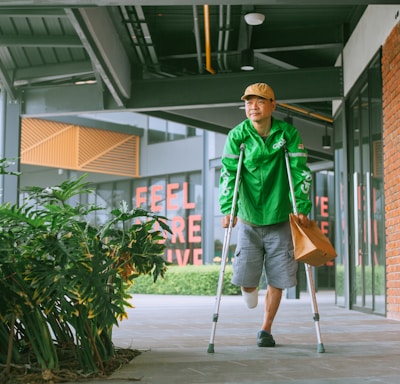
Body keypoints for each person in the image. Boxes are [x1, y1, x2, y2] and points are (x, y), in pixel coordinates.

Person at [219, 82, 312, 347]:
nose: (253, 107)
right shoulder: (238, 135)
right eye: (249, 102)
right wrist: (229, 208)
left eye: (260, 101)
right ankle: (249, 291)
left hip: (280, 215)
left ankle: (266, 328)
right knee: (247, 282)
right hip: (248, 216)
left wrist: (301, 207)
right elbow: (228, 173)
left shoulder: (287, 133)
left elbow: (300, 170)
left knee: (278, 276)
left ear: (273, 105)